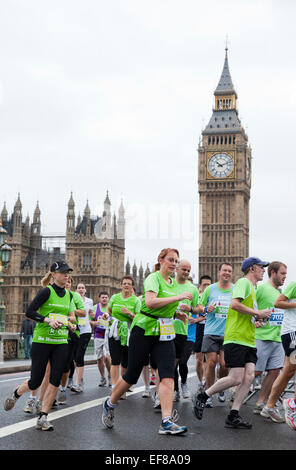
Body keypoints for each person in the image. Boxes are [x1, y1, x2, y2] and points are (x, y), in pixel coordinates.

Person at [102, 248, 192, 435]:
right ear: (161, 260)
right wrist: (178, 298)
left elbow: (166, 304)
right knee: (131, 376)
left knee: (167, 375)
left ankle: (166, 421)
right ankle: (110, 403)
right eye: (171, 260)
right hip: (143, 330)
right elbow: (151, 303)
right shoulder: (153, 278)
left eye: (176, 261)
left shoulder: (173, 283)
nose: (174, 264)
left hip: (164, 332)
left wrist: (176, 313)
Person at [192, 257, 271, 429]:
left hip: (248, 338)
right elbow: (235, 305)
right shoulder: (243, 282)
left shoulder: (252, 287)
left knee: (249, 376)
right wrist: (257, 312)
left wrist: (256, 318)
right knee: (236, 377)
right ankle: (203, 396)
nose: (264, 270)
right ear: (251, 269)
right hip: (236, 337)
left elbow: (245, 311)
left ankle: (233, 415)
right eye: (261, 267)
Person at [4, 261, 76, 431]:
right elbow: (29, 312)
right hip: (42, 341)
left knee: (55, 380)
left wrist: (70, 324)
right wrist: (47, 320)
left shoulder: (69, 295)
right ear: (53, 274)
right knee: (35, 381)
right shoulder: (46, 292)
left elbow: (68, 316)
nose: (66, 275)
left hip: (60, 342)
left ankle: (43, 416)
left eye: (68, 273)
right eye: (63, 272)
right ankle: (17, 393)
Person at [251, 262, 286, 417]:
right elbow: (250, 306)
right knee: (256, 372)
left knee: (274, 372)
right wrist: (254, 320)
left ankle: (260, 402)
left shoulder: (281, 292)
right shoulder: (261, 288)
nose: (285, 277)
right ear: (273, 272)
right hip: (261, 337)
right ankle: (235, 394)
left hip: (277, 338)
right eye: (282, 273)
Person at [262, 279, 296, 429]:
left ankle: (269, 406)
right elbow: (278, 303)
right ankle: (292, 404)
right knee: (292, 369)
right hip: (292, 332)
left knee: (288, 371)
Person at [199, 263, 233, 406]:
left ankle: (221, 387)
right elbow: (199, 307)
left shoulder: (235, 289)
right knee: (211, 363)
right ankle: (209, 394)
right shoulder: (210, 289)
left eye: (229, 271)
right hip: (211, 332)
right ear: (219, 272)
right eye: (224, 270)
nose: (227, 273)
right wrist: (207, 308)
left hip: (228, 333)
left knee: (225, 365)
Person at [107, 276, 141, 392]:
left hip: (128, 332)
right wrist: (106, 316)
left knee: (126, 362)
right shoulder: (114, 298)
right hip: (115, 330)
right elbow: (109, 311)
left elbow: (138, 318)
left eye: (129, 284)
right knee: (115, 360)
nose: (126, 285)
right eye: (124, 283)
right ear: (121, 285)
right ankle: (114, 386)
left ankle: (124, 385)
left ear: (132, 286)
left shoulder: (136, 300)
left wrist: (129, 313)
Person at [173, 260, 199, 401]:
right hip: (167, 330)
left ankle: (183, 383)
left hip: (185, 333)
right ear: (177, 268)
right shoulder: (168, 284)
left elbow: (198, 308)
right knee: (171, 364)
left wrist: (190, 309)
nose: (186, 272)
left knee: (182, 362)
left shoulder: (192, 289)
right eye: (184, 269)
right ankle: (175, 390)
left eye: (188, 270)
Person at [57, 277, 86, 403]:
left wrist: (70, 312)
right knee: (54, 366)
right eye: (65, 281)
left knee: (65, 366)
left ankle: (62, 389)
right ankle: (52, 394)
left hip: (71, 335)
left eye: (69, 282)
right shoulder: (54, 294)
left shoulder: (75, 296)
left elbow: (84, 313)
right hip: (55, 333)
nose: (66, 283)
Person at [71, 283, 93, 393]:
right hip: (75, 330)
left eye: (83, 288)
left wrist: (94, 316)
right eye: (79, 288)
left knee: (79, 356)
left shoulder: (89, 301)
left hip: (86, 331)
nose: (81, 289)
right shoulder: (71, 299)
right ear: (76, 290)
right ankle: (80, 378)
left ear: (85, 290)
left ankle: (78, 383)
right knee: (75, 357)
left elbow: (90, 313)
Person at [90, 291, 112, 387]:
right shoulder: (95, 308)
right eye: (102, 297)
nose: (104, 299)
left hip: (108, 335)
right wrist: (93, 323)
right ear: (99, 298)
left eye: (106, 297)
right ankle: (103, 377)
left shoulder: (111, 308)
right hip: (98, 334)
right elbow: (88, 320)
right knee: (99, 358)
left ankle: (110, 376)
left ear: (108, 298)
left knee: (107, 357)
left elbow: (115, 319)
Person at [195, 275, 212, 390]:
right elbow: (193, 314)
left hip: (210, 330)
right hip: (199, 330)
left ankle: (205, 381)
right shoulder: (197, 299)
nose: (206, 287)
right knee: (199, 360)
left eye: (208, 284)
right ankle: (201, 381)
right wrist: (198, 319)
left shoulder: (214, 298)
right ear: (200, 286)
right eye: (204, 284)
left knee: (208, 360)